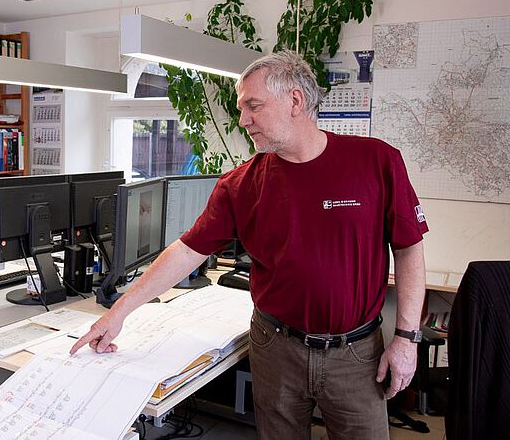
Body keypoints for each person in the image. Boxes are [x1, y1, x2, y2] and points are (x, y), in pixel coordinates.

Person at [71, 50, 428, 439]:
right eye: (242, 109)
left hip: (356, 353)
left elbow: (408, 248)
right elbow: (188, 251)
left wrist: (407, 338)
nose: (243, 121)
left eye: (252, 106)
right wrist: (118, 312)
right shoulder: (241, 183)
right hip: (275, 347)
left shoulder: (376, 161)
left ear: (295, 100)